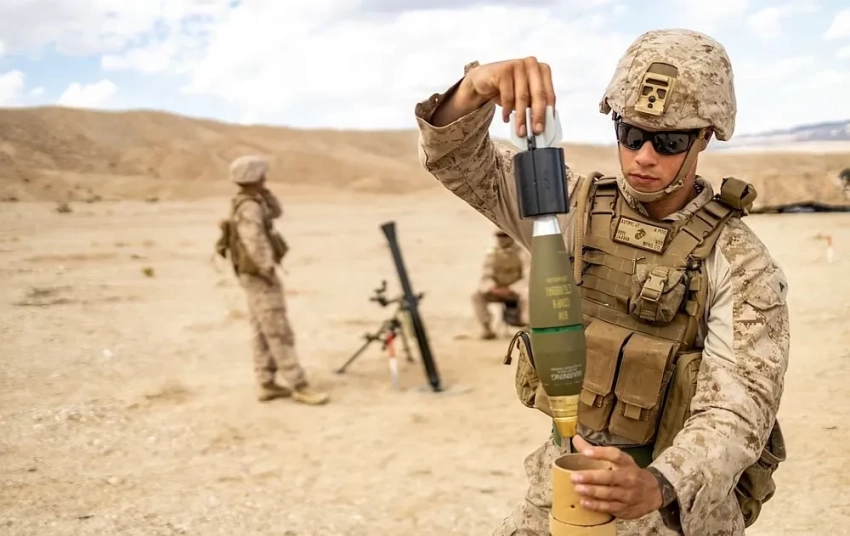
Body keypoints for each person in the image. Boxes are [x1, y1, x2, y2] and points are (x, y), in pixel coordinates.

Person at [414, 29, 790, 536]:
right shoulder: (567, 208)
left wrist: (659, 483)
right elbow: (457, 161)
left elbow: (739, 409)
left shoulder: (739, 262)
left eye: (670, 141)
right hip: (564, 488)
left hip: (671, 510)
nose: (644, 156)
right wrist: (474, 88)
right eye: (631, 134)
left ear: (705, 137)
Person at [217, 155, 329, 405]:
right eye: (261, 175)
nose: (265, 178)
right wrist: (267, 270)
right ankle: (299, 385)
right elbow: (254, 241)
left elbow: (276, 212)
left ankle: (266, 382)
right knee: (278, 329)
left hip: (253, 275)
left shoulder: (251, 201)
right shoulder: (249, 207)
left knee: (262, 329)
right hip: (259, 276)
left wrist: (265, 193)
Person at [472, 229, 529, 339]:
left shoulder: (523, 253)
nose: (502, 239)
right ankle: (486, 328)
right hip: (497, 290)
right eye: (499, 236)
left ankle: (528, 325)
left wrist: (512, 289)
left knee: (528, 295)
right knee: (476, 295)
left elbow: (528, 276)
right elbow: (486, 275)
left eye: (505, 236)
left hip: (517, 290)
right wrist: (492, 288)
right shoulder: (491, 254)